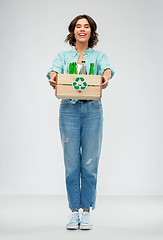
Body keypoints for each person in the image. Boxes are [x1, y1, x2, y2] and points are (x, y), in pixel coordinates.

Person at [46, 14, 114, 230]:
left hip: (93, 110)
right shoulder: (63, 55)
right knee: (72, 164)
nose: (82, 29)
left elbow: (107, 69)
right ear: (73, 31)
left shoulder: (99, 55)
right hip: (69, 110)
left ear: (92, 31)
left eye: (86, 26)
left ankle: (86, 212)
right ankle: (73, 211)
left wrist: (105, 77)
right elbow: (53, 71)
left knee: (90, 163)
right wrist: (54, 77)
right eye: (78, 26)